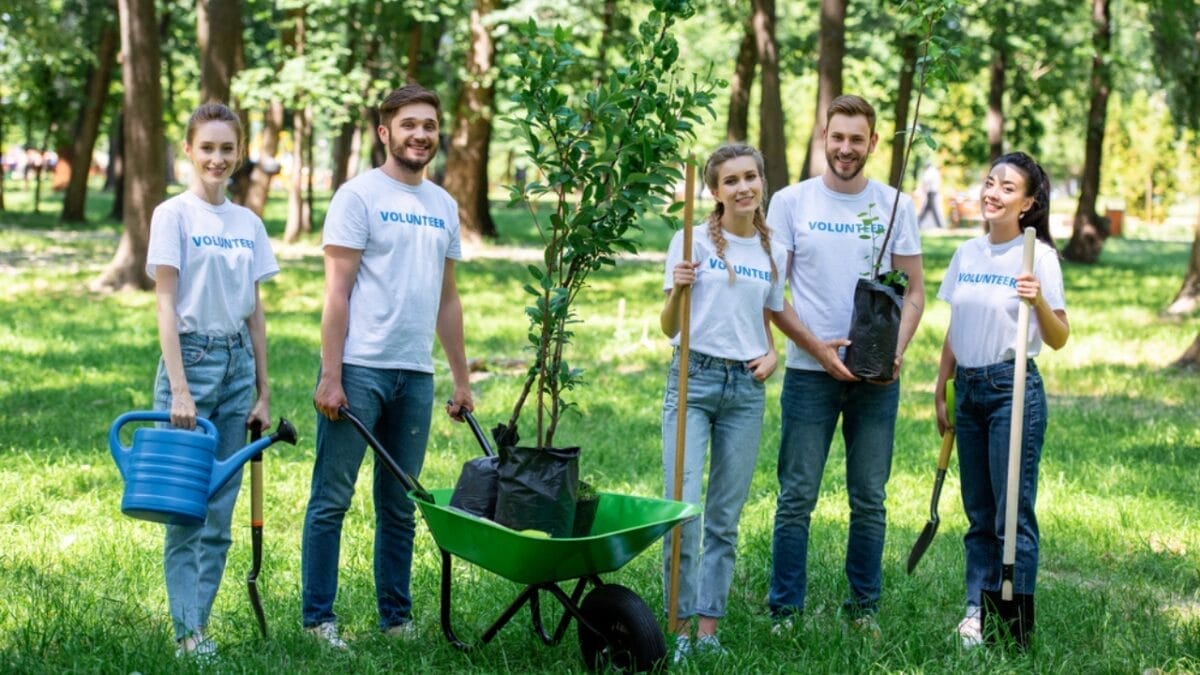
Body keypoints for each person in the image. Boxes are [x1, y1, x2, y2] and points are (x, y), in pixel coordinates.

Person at [301, 83, 473, 649]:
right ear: (385, 133)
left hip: (415, 375)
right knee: (332, 499)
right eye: (409, 125)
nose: (420, 134)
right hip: (360, 370)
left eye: (429, 125)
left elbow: (448, 299)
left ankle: (395, 618)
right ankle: (318, 620)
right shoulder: (358, 196)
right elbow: (336, 292)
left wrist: (461, 378)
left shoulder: (443, 205)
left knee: (400, 504)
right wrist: (331, 375)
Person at [765, 94, 925, 632]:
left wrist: (896, 350)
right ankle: (785, 610)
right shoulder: (791, 203)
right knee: (796, 497)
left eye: (857, 139)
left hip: (876, 378)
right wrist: (817, 349)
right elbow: (773, 295)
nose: (846, 148)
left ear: (873, 143)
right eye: (838, 137)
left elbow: (915, 293)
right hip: (809, 374)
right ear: (823, 138)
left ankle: (863, 610)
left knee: (870, 498)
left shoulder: (895, 206)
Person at [145, 102, 279, 658]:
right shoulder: (173, 215)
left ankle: (197, 627)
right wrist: (179, 389)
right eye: (207, 148)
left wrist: (264, 390)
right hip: (192, 363)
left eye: (227, 149)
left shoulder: (248, 223)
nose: (217, 159)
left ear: (239, 153)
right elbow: (165, 304)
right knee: (186, 510)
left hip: (237, 366)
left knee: (220, 515)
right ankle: (186, 633)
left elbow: (255, 313)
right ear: (188, 150)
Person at [933, 152, 1069, 647]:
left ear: (1028, 203)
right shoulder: (967, 253)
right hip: (969, 389)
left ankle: (1010, 621)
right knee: (979, 513)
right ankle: (977, 609)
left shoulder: (1039, 257)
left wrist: (1037, 301)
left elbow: (1059, 337)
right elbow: (957, 326)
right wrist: (942, 385)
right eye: (990, 182)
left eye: (1008, 188)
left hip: (1012, 391)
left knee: (1012, 513)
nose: (993, 193)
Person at [659, 144, 785, 662]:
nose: (743, 187)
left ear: (761, 182)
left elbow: (764, 318)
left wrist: (773, 354)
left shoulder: (771, 251)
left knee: (724, 518)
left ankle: (709, 630)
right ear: (715, 191)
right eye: (731, 180)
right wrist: (677, 289)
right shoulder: (689, 241)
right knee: (683, 511)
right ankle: (679, 630)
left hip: (745, 391)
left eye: (750, 177)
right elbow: (668, 327)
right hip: (694, 378)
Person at [918, 161, 945, 229]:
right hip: (933, 191)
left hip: (931, 192)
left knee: (932, 208)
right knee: (928, 209)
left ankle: (918, 222)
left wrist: (923, 188)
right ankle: (918, 222)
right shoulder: (935, 171)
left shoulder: (930, 171)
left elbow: (926, 180)